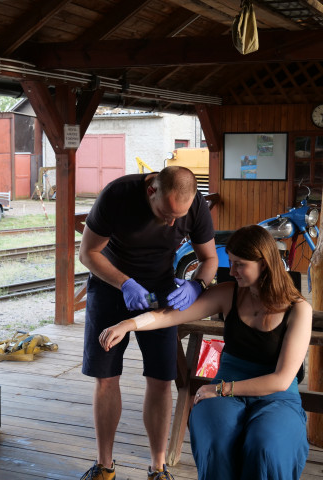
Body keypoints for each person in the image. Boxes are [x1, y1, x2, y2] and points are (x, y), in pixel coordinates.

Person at [100, 225, 312, 480]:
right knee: (216, 437)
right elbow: (173, 315)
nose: (231, 271)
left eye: (239, 264)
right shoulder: (229, 293)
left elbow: (281, 380)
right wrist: (129, 324)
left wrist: (220, 389)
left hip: (275, 395)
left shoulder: (298, 309)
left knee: (265, 446)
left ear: (264, 264)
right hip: (227, 385)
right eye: (230, 262)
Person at [79, 166, 217, 480]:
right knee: (106, 376)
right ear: (151, 190)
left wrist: (197, 285)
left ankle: (158, 468)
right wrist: (125, 283)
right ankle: (105, 466)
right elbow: (87, 253)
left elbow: (209, 260)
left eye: (177, 218)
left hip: (162, 288)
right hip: (111, 284)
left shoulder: (194, 205)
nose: (172, 223)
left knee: (161, 378)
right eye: (166, 214)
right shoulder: (118, 195)